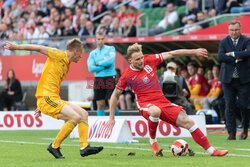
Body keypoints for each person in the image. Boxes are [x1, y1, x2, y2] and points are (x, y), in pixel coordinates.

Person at [106, 43, 228, 157]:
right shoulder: (127, 75)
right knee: (155, 111)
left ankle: (212, 151)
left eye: (141, 57)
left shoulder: (150, 60)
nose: (141, 61)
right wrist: (111, 117)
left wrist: (194, 51)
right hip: (144, 103)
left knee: (188, 122)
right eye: (137, 59)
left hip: (162, 101)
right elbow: (115, 95)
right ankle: (153, 141)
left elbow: (171, 53)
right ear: (130, 61)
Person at [4, 39, 103, 158]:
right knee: (75, 117)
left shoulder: (67, 64)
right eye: (80, 53)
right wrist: (17, 47)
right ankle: (55, 146)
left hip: (52, 99)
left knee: (83, 114)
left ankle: (84, 147)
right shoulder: (58, 54)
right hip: (47, 98)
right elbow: (39, 48)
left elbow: (51, 81)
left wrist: (41, 106)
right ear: (75, 51)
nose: (81, 56)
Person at [218, 20, 250, 140]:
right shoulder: (223, 41)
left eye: (236, 30)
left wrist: (232, 54)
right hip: (228, 80)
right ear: (228, 30)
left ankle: (245, 128)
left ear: (240, 29)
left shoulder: (247, 40)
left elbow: (249, 53)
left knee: (244, 106)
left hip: (244, 80)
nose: (234, 32)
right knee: (229, 106)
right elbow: (221, 56)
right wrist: (238, 57)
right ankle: (231, 133)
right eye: (232, 30)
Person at [87, 31, 118, 116]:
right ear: (95, 40)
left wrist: (98, 63)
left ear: (104, 39)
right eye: (98, 39)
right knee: (100, 104)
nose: (100, 41)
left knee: (112, 102)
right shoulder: (92, 53)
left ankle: (116, 121)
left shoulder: (111, 49)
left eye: (102, 39)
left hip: (110, 77)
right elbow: (90, 68)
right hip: (98, 78)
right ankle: (102, 122)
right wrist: (104, 65)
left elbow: (111, 61)